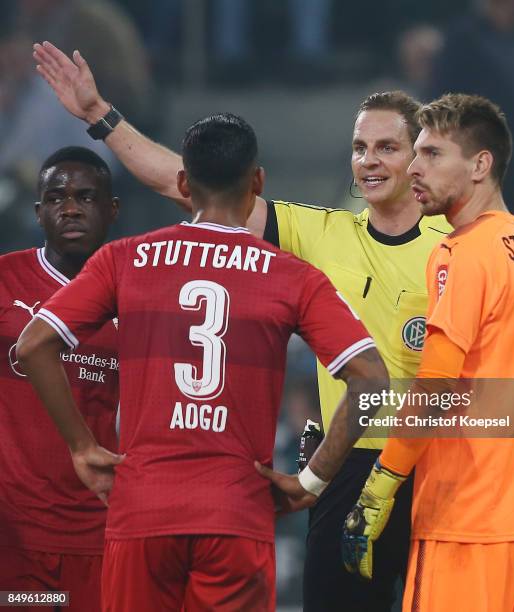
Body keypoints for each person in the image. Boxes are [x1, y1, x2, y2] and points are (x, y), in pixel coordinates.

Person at [32, 41, 452, 610]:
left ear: (419, 159)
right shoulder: (319, 236)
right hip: (348, 467)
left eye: (386, 147)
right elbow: (192, 182)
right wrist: (100, 116)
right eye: (359, 147)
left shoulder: (455, 251)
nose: (369, 160)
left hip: (439, 464)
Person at [341, 94, 514, 611]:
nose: (414, 167)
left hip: (468, 520)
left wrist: (380, 486)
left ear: (480, 165)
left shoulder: (461, 252)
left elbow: (436, 386)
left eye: (432, 155)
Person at [0, 146, 120, 610]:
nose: (70, 207)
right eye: (56, 198)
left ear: (112, 210)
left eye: (86, 197)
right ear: (38, 212)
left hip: (98, 530)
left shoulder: (133, 294)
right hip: (14, 536)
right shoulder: (5, 280)